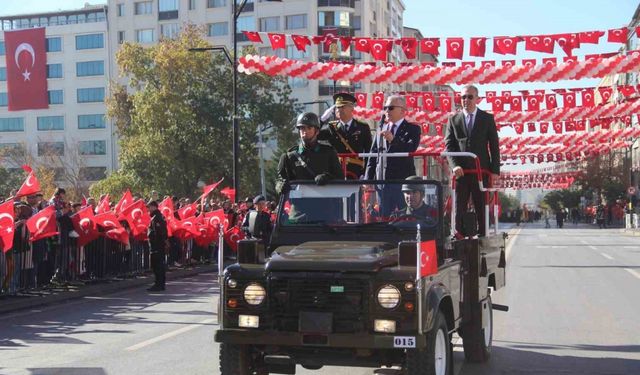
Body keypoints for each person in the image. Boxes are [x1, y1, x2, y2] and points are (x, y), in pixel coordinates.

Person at [445, 84, 500, 237]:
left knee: (481, 207)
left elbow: (494, 146)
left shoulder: (487, 118)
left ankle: (483, 238)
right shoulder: (453, 120)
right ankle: (459, 237)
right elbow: (449, 147)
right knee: (459, 208)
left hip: (481, 171)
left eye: (470, 97)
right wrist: (454, 166)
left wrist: (495, 171)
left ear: (477, 99)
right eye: (463, 97)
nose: (466, 100)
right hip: (461, 173)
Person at [365, 95, 421, 216]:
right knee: (384, 217)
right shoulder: (381, 129)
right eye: (385, 108)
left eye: (390, 108)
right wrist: (368, 178)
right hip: (383, 181)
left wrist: (393, 140)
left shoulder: (413, 129)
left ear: (402, 111)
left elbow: (411, 149)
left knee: (405, 216)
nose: (386, 111)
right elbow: (373, 155)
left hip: (402, 181)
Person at [276, 112, 344, 195]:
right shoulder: (289, 156)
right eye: (302, 128)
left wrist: (328, 178)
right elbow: (280, 180)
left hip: (325, 201)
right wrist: (280, 186)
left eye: (309, 128)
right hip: (300, 204)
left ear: (317, 131)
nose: (305, 131)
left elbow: (340, 178)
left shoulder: (328, 152)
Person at [318, 93, 373, 179]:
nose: (339, 110)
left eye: (343, 106)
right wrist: (321, 121)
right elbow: (314, 136)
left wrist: (365, 173)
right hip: (336, 172)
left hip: (356, 172)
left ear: (352, 108)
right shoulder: (332, 127)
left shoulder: (362, 127)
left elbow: (369, 152)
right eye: (337, 107)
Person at [147, 200, 168, 292]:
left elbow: (158, 232)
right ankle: (160, 284)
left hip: (156, 245)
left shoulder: (156, 217)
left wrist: (156, 243)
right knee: (159, 265)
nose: (149, 209)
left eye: (149, 207)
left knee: (157, 265)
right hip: (159, 245)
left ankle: (158, 284)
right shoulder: (159, 216)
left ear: (154, 207)